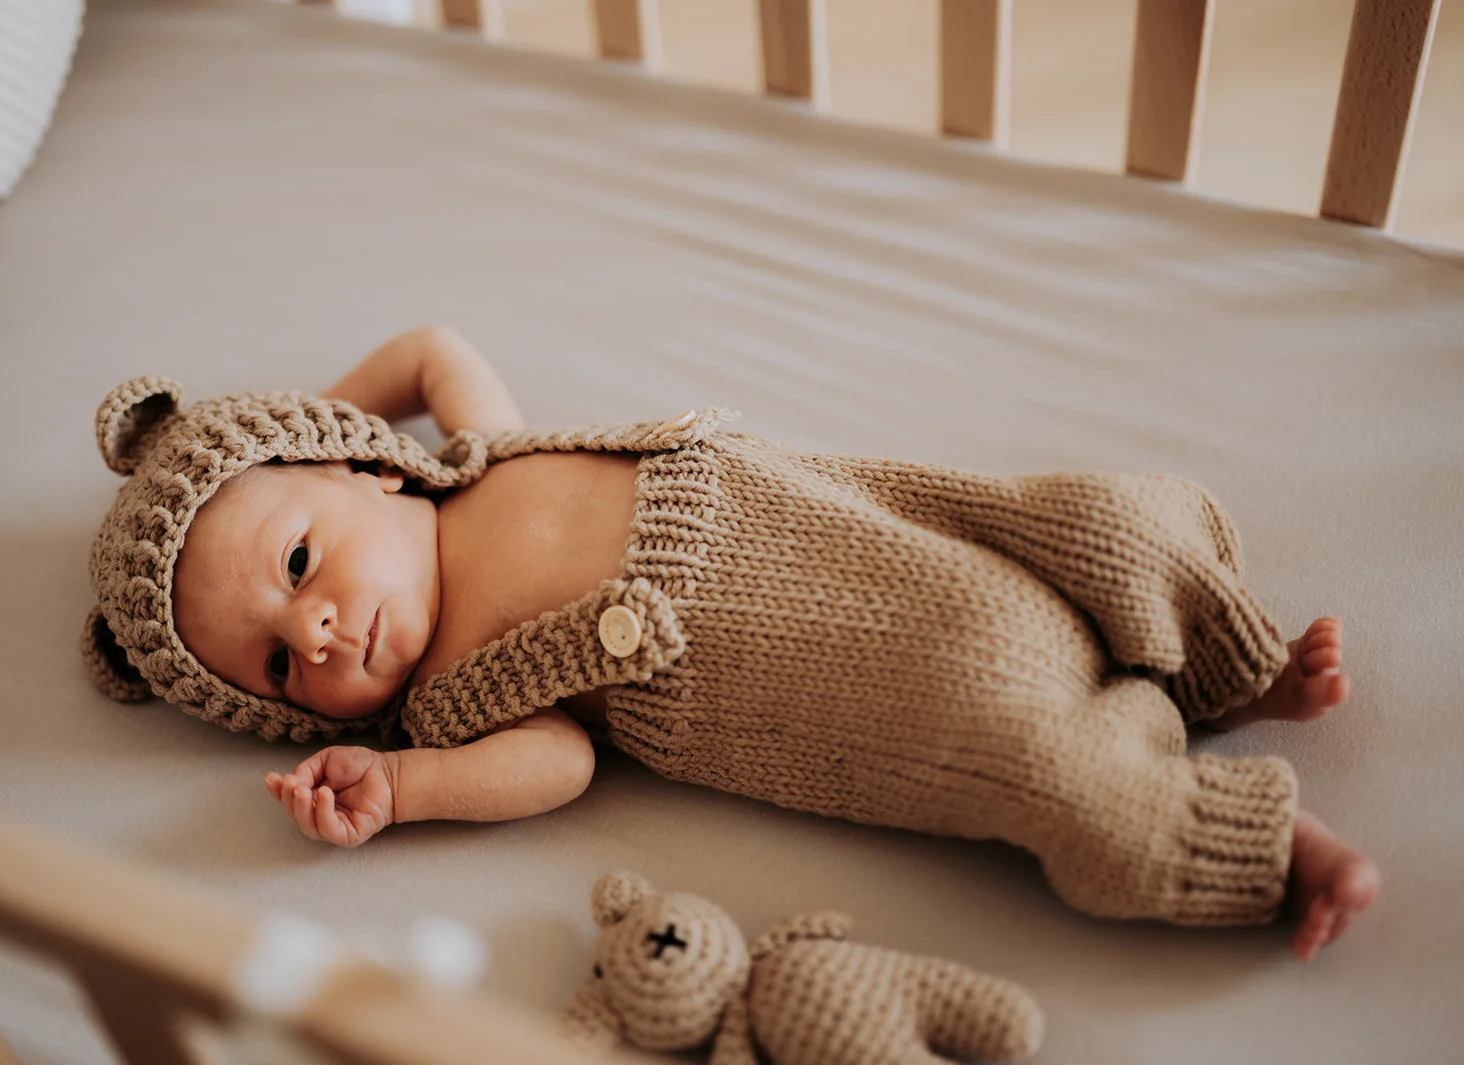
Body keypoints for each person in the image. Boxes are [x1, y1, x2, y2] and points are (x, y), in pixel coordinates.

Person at [83, 325, 1379, 963]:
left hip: (840, 503)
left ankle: (1225, 662)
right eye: (271, 668)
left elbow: (430, 350)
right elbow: (562, 770)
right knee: (1046, 764)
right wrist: (406, 790)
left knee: (1083, 520)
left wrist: (315, 415)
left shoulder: (475, 456)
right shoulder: (449, 706)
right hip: (851, 681)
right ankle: (1269, 843)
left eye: (298, 565)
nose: (312, 632)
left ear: (363, 471)